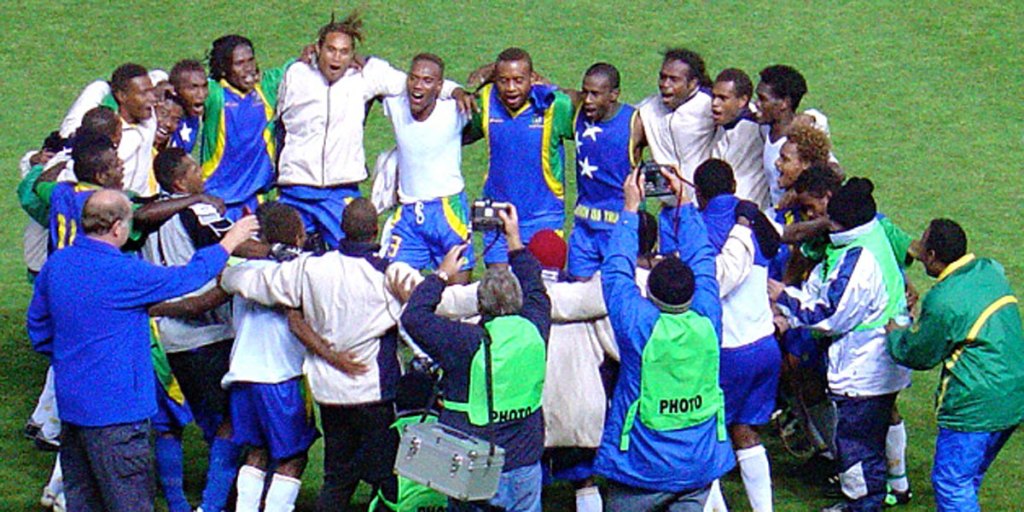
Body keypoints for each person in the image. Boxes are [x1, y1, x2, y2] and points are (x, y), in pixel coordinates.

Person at [27, 189, 257, 512]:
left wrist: (73, 357)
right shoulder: (125, 273)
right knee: (130, 501)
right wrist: (229, 242)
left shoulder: (58, 264)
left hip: (72, 409)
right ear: (117, 228)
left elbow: (38, 328)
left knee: (83, 502)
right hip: (118, 413)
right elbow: (188, 278)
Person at [220, 198, 404, 512]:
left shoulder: (300, 268)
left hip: (293, 385)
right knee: (379, 474)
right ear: (376, 231)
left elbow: (233, 278)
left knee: (324, 471)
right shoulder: (382, 272)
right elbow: (295, 322)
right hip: (343, 387)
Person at [595, 166, 733, 511]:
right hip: (697, 463)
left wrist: (630, 210)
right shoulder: (707, 315)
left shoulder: (638, 323)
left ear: (649, 294)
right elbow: (702, 258)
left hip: (641, 467)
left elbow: (616, 271)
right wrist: (685, 205)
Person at [770, 178, 911, 512]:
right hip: (878, 359)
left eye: (830, 221)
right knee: (868, 436)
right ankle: (887, 489)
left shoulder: (859, 259)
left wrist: (784, 298)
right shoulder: (868, 237)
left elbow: (830, 314)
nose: (825, 225)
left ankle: (862, 504)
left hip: (865, 365)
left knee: (856, 444)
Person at [401, 204, 552, 511]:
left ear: (480, 305)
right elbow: (535, 286)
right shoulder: (535, 327)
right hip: (523, 462)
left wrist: (442, 274)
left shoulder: (465, 342)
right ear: (519, 301)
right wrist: (514, 241)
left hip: (472, 462)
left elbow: (414, 316)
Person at [142, 147, 265, 512]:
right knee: (229, 422)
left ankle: (180, 504)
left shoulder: (146, 216)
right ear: (180, 182)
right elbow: (241, 245)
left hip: (163, 336)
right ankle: (212, 506)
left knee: (170, 423)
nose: (203, 174)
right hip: (205, 334)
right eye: (195, 169)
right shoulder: (198, 209)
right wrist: (278, 248)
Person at [277, 14, 467, 249]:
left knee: (352, 257)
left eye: (344, 52)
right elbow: (271, 118)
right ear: (318, 49)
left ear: (352, 55)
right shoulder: (295, 73)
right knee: (286, 258)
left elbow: (416, 83)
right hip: (295, 188)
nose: (336, 57)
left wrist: (455, 91)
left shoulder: (366, 77)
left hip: (339, 191)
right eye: (331, 50)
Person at [887, 219, 1024, 512]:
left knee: (952, 484)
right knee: (968, 477)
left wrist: (896, 335)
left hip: (975, 406)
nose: (919, 251)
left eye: (923, 246)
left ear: (932, 255)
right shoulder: (990, 269)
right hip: (1013, 395)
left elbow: (920, 354)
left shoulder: (943, 300)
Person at [220, 202, 319, 512]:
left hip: (241, 375)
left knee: (256, 451)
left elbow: (225, 277)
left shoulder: (240, 270)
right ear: (299, 236)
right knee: (293, 457)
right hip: (281, 377)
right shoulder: (302, 271)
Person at [694, 159, 780, 512]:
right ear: (733, 185)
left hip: (727, 352)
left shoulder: (697, 228)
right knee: (747, 432)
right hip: (765, 345)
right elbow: (777, 249)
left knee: (707, 436)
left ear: (699, 194)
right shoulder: (757, 220)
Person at [463, 47, 575, 265]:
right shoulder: (485, 101)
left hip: (543, 218)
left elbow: (588, 129)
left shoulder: (554, 105)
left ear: (533, 78)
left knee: (540, 283)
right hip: (498, 216)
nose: (511, 88)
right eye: (503, 81)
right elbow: (462, 134)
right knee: (498, 283)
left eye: (518, 80)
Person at [379, 52, 474, 280]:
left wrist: (456, 90)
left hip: (447, 210)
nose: (418, 86)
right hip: (409, 211)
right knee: (393, 281)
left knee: (457, 288)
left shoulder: (454, 111)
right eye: (413, 78)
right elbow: (375, 73)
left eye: (427, 81)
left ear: (439, 86)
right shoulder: (396, 105)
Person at [633, 48, 714, 255]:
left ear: (693, 83)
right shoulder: (649, 108)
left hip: (701, 209)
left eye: (674, 79)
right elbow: (619, 118)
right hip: (668, 211)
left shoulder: (709, 105)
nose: (665, 84)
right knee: (668, 265)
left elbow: (747, 113)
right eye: (662, 77)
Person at [199, 34, 287, 219]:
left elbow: (299, 66)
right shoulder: (215, 94)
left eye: (250, 60)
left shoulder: (266, 88)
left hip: (256, 199)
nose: (248, 68)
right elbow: (185, 84)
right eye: (239, 63)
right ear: (224, 69)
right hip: (217, 199)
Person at [568, 62, 642, 280]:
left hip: (619, 228)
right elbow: (551, 89)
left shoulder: (635, 123)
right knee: (578, 290)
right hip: (584, 228)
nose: (588, 100)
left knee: (619, 286)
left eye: (595, 94)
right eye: (585, 92)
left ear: (613, 95)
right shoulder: (578, 110)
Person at [58, 63, 160, 197]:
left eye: (151, 91)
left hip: (145, 203)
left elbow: (159, 75)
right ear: (122, 96)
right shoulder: (107, 136)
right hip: (114, 205)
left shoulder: (149, 117)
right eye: (143, 93)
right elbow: (70, 175)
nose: (153, 99)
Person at [710, 68, 767, 209]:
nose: (714, 103)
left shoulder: (760, 128)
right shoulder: (723, 125)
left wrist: (812, 116)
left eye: (723, 98)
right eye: (714, 96)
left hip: (751, 211)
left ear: (742, 100)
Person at [168, 59, 207, 153]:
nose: (201, 94)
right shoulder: (164, 121)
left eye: (204, 86)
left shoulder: (193, 118)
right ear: (174, 90)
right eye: (193, 88)